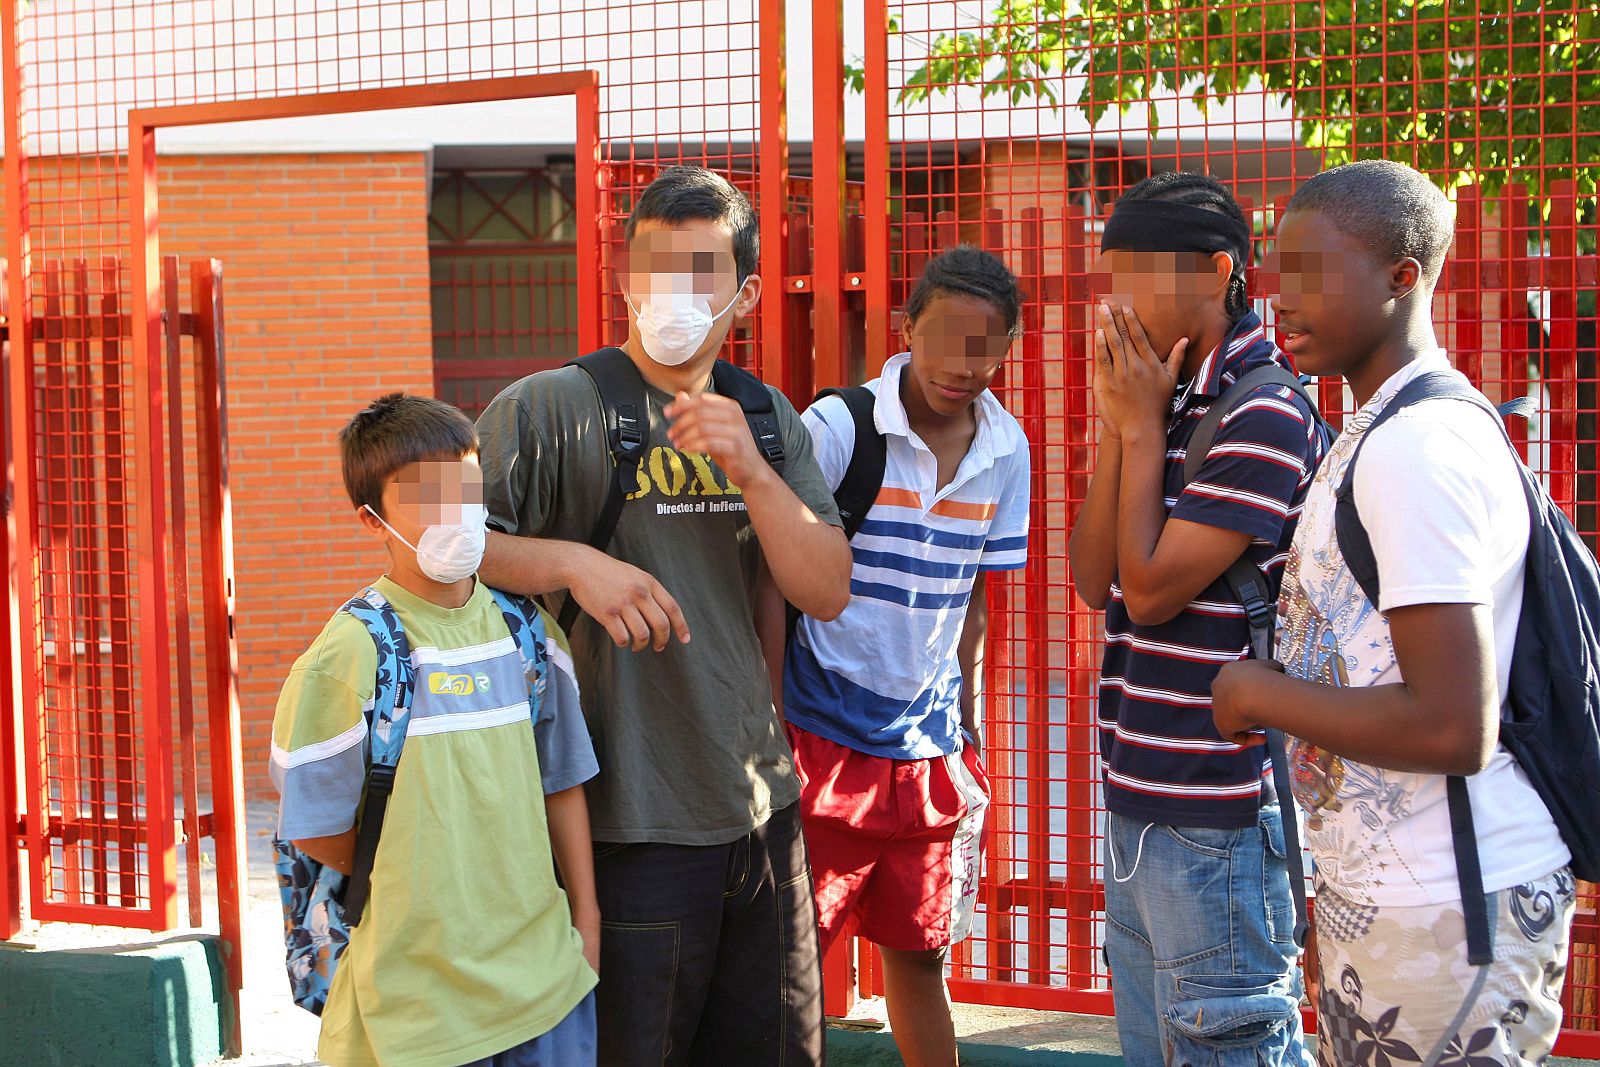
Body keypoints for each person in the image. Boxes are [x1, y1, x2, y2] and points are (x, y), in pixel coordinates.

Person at [474, 165, 850, 1066]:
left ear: (746, 292)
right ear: (623, 279)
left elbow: (825, 586)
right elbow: (435, 548)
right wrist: (572, 563)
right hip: (627, 819)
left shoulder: (766, 418)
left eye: (701, 270)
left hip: (760, 810)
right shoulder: (551, 407)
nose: (672, 292)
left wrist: (755, 473)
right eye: (653, 267)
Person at [1211, 159, 1575, 1066]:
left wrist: (1257, 693)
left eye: (1310, 271)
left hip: (1448, 907)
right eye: (1275, 271)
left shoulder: (1415, 449)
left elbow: (1454, 724)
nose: (1279, 299)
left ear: (1402, 276)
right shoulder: (1383, 426)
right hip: (1401, 897)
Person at [1067, 172, 1325, 1066]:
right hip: (1138, 788)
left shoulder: (1262, 405)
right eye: (1112, 277)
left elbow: (1152, 591)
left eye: (1140, 275)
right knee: (1156, 1047)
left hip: (1216, 806)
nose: (1119, 302)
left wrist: (1139, 431)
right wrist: (1121, 424)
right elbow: (1093, 578)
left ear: (1219, 271)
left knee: (1229, 1046)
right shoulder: (1161, 397)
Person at [270, 393, 600, 1067]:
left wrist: (586, 922)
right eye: (424, 495)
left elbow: (561, 780)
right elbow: (318, 829)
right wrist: (426, 877)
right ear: (371, 519)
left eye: (464, 483)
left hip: (544, 988)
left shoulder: (528, 632)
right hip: (413, 1011)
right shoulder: (348, 655)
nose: (453, 510)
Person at [778, 245, 1030, 1067]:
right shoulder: (841, 426)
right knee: (798, 961)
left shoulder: (1007, 448)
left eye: (983, 345)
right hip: (821, 734)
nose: (961, 364)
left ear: (1008, 346)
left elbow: (976, 601)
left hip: (927, 749)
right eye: (943, 339)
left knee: (920, 959)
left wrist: (972, 727)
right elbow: (774, 570)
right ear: (908, 328)